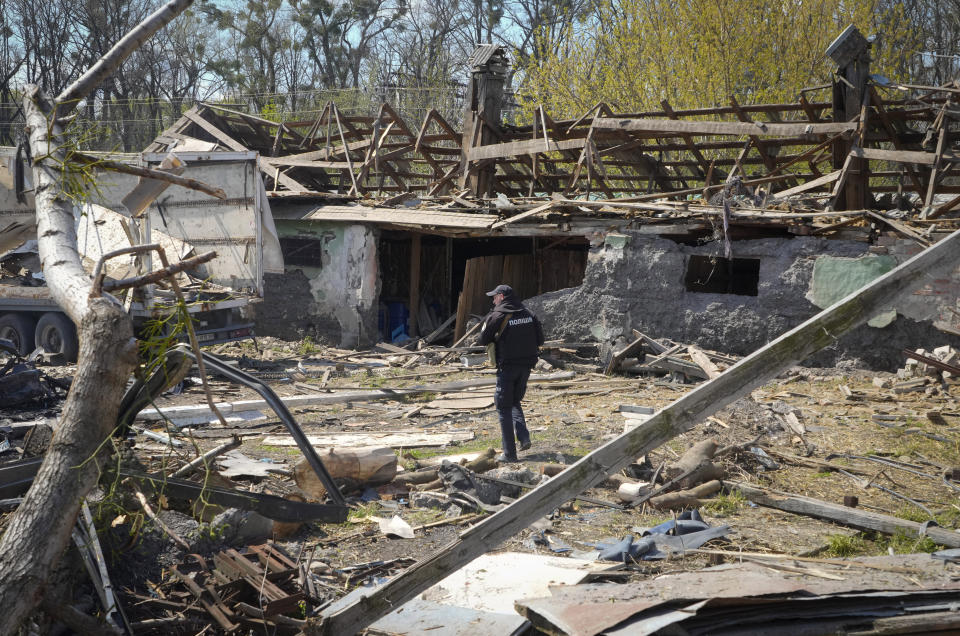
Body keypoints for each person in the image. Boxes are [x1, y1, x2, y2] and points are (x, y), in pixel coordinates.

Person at [477, 284, 544, 463]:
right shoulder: (529, 314)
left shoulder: (497, 316)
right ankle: (524, 437)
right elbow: (541, 339)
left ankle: (509, 454)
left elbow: (482, 339)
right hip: (526, 367)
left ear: (501, 296)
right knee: (514, 400)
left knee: (503, 407)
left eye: (494, 297)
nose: (493, 300)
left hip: (507, 367)